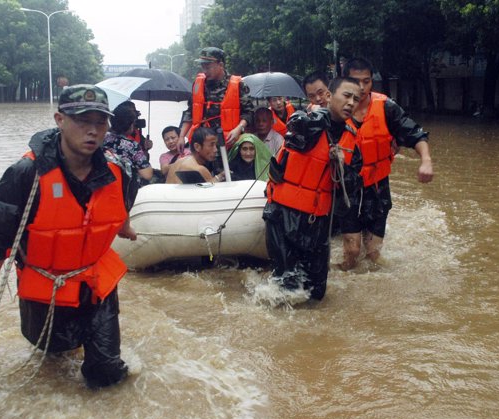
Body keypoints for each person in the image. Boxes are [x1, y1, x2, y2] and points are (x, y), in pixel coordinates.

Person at [0, 84, 139, 389]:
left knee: (105, 373)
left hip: (96, 283)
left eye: (100, 123)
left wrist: (124, 227)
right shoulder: (25, 174)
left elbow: (120, 205)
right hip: (48, 284)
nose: (93, 131)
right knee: (53, 360)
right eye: (83, 121)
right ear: (60, 120)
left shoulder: (118, 170)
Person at [263, 77, 362, 301]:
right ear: (330, 96)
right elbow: (296, 126)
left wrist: (341, 167)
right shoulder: (308, 120)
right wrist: (321, 115)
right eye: (346, 96)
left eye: (356, 99)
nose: (351, 103)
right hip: (283, 214)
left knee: (316, 292)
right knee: (287, 286)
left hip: (318, 223)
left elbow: (354, 183)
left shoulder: (352, 139)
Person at [338, 58, 433, 270]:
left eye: (367, 81)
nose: (361, 88)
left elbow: (415, 133)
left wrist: (425, 160)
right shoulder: (334, 109)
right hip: (347, 189)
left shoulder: (387, 107)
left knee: (373, 255)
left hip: (377, 186)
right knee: (351, 254)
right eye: (355, 81)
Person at [178, 47, 254, 151]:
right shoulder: (198, 84)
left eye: (208, 67)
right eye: (203, 67)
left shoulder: (238, 85)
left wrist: (238, 129)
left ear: (221, 65)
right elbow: (190, 112)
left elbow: (249, 112)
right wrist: (181, 137)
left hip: (227, 143)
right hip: (202, 144)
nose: (205, 71)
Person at [104, 100, 153, 184]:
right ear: (130, 124)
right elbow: (147, 174)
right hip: (124, 186)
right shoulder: (131, 146)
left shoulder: (101, 138)